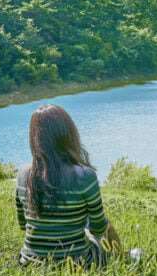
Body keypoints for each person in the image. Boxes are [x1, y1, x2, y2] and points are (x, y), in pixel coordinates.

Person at [15, 104, 121, 267]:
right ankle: (123, 260)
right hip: (80, 263)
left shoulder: (23, 173)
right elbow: (98, 229)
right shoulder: (85, 176)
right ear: (69, 135)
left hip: (30, 263)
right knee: (107, 222)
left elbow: (23, 225)